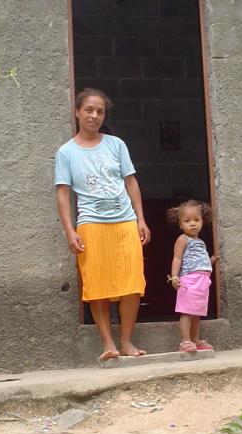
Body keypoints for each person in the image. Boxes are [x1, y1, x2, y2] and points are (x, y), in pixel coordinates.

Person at [55, 88, 151, 361]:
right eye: (89, 110)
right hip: (91, 225)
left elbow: (131, 182)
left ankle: (126, 342)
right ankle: (108, 344)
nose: (94, 116)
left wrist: (140, 218)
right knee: (97, 285)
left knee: (132, 284)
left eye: (100, 111)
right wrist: (69, 230)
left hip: (125, 222)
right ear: (77, 112)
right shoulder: (66, 152)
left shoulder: (116, 145)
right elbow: (63, 192)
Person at [167, 199, 218, 352]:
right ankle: (185, 340)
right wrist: (174, 276)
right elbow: (177, 258)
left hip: (202, 281)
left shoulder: (201, 241)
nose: (193, 224)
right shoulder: (183, 239)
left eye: (197, 220)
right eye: (187, 221)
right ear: (180, 224)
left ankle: (195, 339)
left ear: (203, 220)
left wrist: (210, 262)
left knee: (197, 313)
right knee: (187, 311)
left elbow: (197, 260)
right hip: (189, 280)